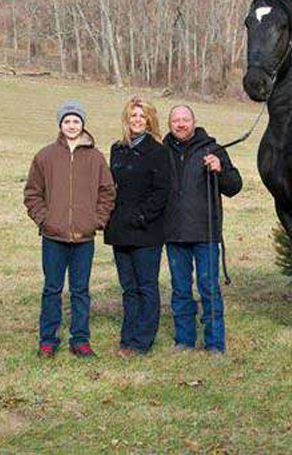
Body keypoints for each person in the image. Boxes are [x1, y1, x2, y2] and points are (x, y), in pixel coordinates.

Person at [23, 100, 115, 358]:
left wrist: (97, 220)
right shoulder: (45, 156)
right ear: (60, 125)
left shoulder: (96, 157)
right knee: (52, 288)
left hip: (84, 237)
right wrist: (45, 219)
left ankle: (80, 339)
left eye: (76, 121)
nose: (72, 125)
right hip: (53, 236)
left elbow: (107, 191)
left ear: (83, 124)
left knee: (80, 290)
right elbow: (32, 193)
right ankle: (48, 340)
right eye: (67, 121)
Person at [163, 105, 242, 354]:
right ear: (169, 124)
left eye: (185, 119)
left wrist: (221, 169)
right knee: (180, 290)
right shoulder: (162, 151)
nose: (181, 124)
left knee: (209, 288)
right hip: (174, 233)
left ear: (194, 122)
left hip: (205, 233)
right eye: (176, 120)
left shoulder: (212, 148)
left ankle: (215, 343)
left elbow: (234, 186)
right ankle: (184, 340)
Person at [104, 99, 170, 358]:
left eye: (143, 115)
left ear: (150, 120)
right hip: (120, 230)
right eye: (133, 115)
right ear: (127, 118)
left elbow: (162, 191)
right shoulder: (117, 149)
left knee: (146, 286)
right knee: (128, 287)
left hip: (146, 231)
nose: (138, 119)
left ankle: (142, 341)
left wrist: (142, 216)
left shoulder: (158, 152)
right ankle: (127, 337)